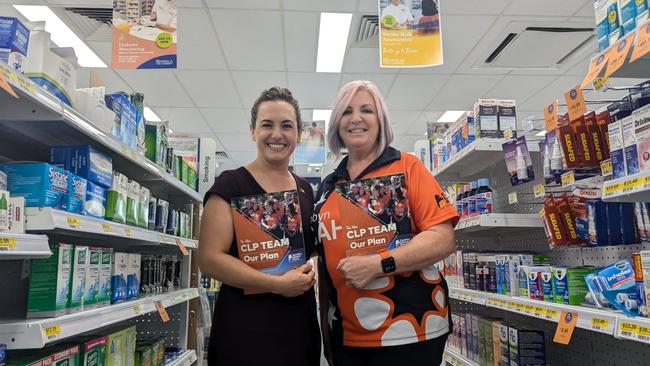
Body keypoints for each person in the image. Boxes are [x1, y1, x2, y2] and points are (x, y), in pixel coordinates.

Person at [311, 80, 459, 366]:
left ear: (380, 120)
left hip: (409, 331)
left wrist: (380, 264)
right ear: (336, 124)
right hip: (347, 335)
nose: (356, 118)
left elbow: (443, 238)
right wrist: (327, 336)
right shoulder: (328, 187)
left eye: (366, 110)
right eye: (346, 112)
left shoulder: (407, 167)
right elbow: (323, 261)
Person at [199, 87, 321, 366]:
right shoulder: (230, 186)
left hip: (297, 330)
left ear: (298, 134)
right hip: (244, 331)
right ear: (253, 130)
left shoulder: (304, 190)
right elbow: (209, 259)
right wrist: (276, 284)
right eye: (267, 124)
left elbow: (309, 252)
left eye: (286, 126)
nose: (277, 134)